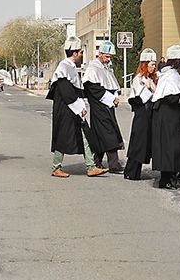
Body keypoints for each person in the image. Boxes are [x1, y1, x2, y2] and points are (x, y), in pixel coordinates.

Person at [48, 37, 103, 178]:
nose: (81, 54)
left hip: (72, 108)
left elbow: (76, 90)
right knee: (63, 136)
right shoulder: (64, 68)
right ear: (74, 53)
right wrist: (80, 108)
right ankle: (56, 167)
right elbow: (67, 92)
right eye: (80, 52)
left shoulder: (71, 67)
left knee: (85, 135)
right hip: (65, 109)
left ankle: (91, 166)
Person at [150, 46, 180, 189]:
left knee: (173, 147)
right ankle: (166, 179)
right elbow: (170, 97)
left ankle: (171, 176)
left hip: (171, 117)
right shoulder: (170, 76)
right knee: (168, 147)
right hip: (167, 117)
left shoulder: (171, 74)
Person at [82, 40, 125, 174]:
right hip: (99, 107)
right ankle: (113, 164)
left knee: (100, 135)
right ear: (100, 54)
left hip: (108, 106)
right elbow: (94, 89)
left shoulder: (106, 68)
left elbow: (112, 85)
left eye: (110, 57)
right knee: (108, 134)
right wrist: (112, 98)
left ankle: (97, 162)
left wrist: (115, 96)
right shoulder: (93, 69)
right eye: (107, 56)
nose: (108, 59)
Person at [122, 49, 157, 180]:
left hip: (149, 114)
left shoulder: (150, 79)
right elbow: (139, 97)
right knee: (138, 142)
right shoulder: (139, 79)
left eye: (154, 64)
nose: (154, 67)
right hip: (142, 113)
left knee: (144, 143)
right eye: (152, 64)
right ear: (145, 64)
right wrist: (149, 90)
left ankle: (136, 171)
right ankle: (131, 171)